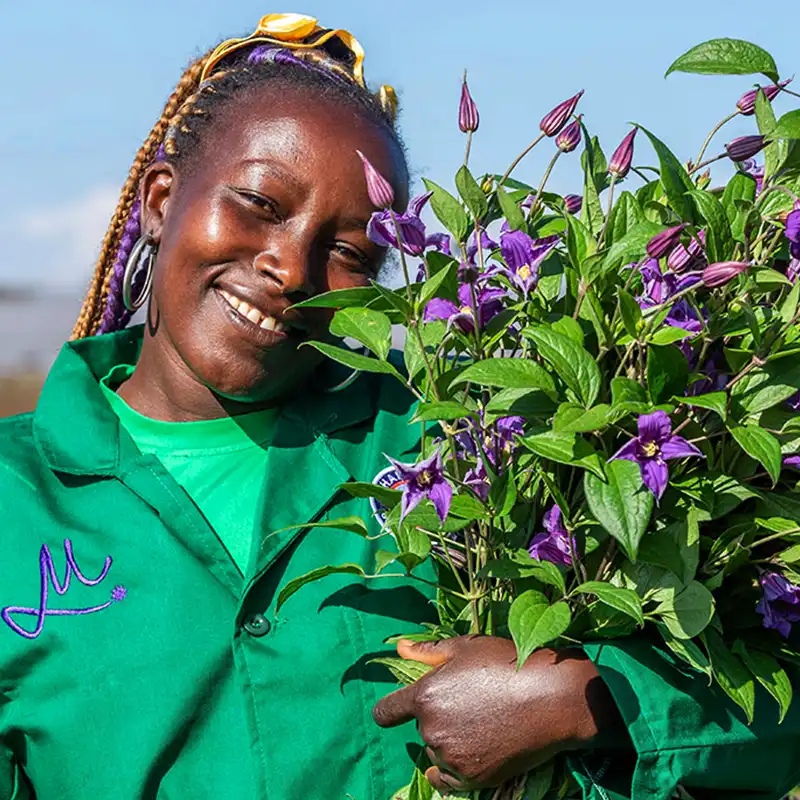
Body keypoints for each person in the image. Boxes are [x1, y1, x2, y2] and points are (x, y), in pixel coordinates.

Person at [1, 12, 799, 800]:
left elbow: (774, 720)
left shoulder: (463, 444)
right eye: (260, 204)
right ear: (160, 199)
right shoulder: (15, 502)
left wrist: (585, 701)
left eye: (351, 251)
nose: (290, 266)